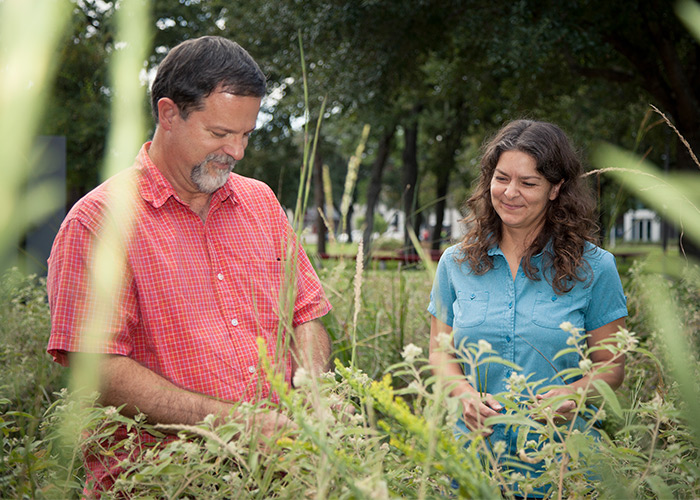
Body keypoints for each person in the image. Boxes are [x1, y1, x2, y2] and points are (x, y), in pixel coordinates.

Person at [46, 36, 332, 493]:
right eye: (219, 134)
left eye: (245, 135)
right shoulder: (98, 223)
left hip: (279, 476)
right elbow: (96, 369)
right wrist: (236, 423)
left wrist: (313, 385)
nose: (236, 152)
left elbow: (307, 314)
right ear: (168, 114)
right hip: (164, 480)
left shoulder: (261, 204)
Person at [427, 120, 627, 495]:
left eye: (528, 183)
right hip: (474, 463)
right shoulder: (455, 264)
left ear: (556, 188)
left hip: (564, 464)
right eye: (501, 178)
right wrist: (464, 395)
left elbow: (612, 367)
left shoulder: (596, 267)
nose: (510, 193)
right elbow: (440, 353)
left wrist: (572, 394)